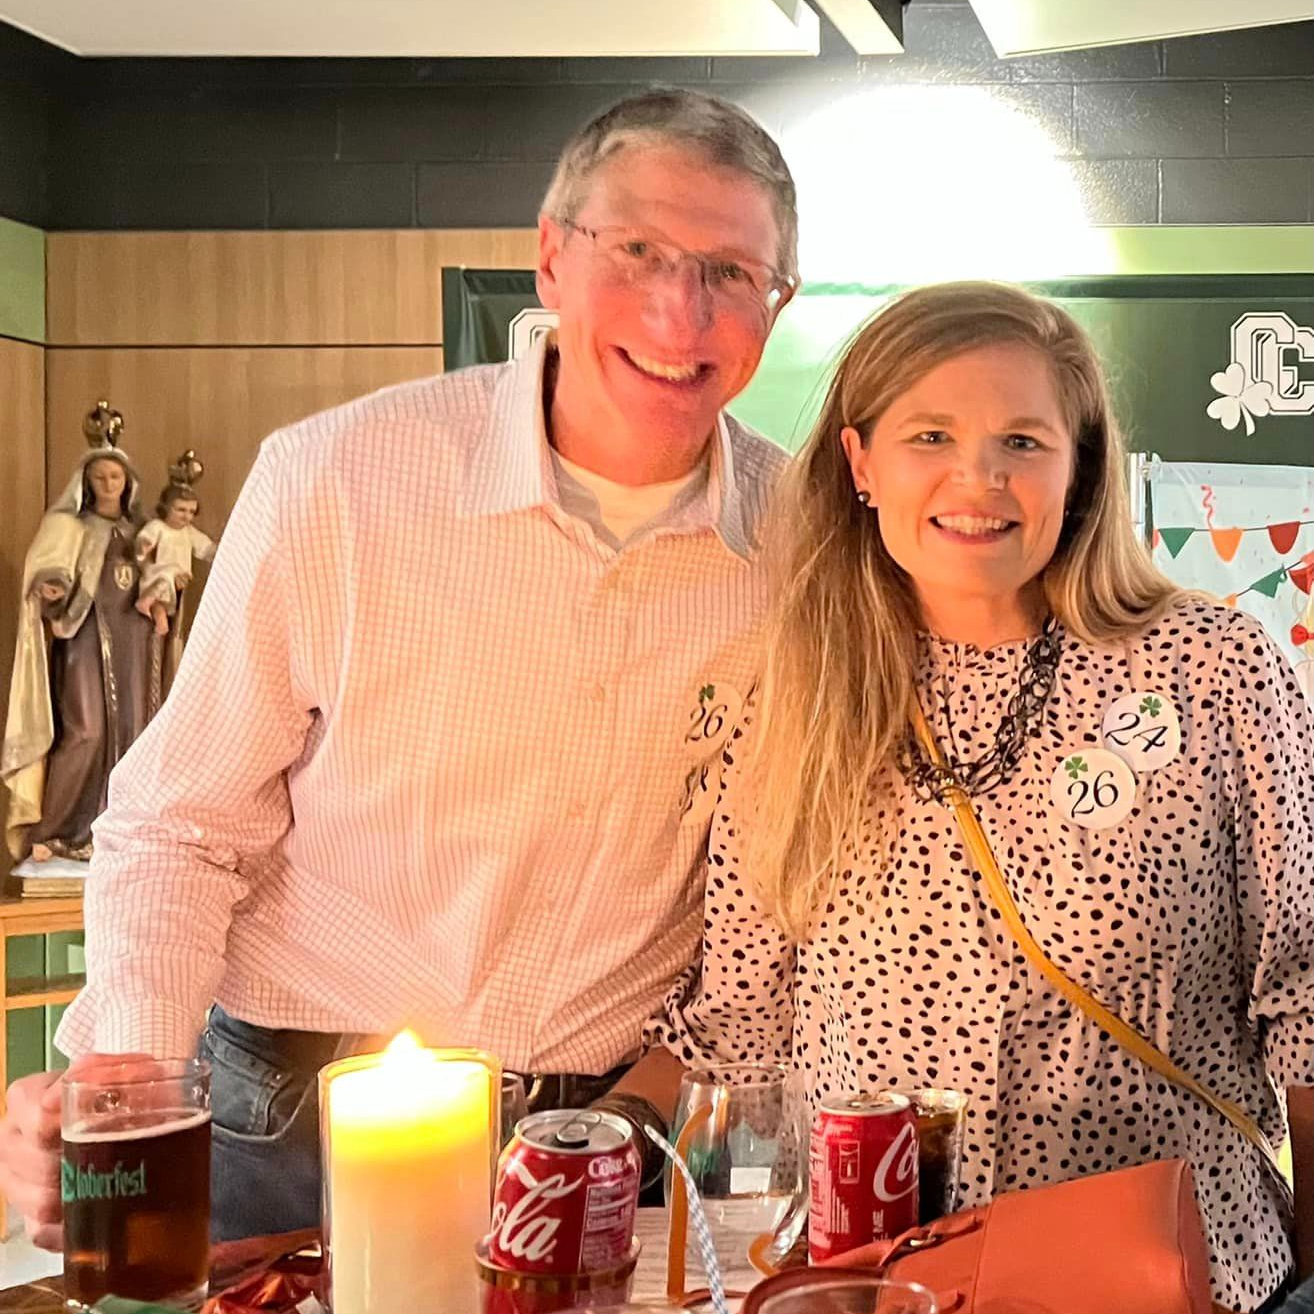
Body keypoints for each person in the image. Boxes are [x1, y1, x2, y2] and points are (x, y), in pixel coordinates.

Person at [0, 88, 798, 1245]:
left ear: (775, 304)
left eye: (732, 272)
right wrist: (121, 1082)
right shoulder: (339, 478)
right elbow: (183, 819)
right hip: (286, 1123)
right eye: (639, 252)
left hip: (600, 1139)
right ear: (552, 260)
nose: (682, 312)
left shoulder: (801, 544)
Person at [618, 283, 1313, 1313]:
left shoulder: (1212, 669)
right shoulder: (796, 699)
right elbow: (740, 1025)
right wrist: (571, 1144)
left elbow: (1305, 995)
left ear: (1077, 469)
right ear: (861, 463)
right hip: (884, 1282)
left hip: (1167, 1277)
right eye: (930, 434)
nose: (977, 479)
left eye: (1023, 442)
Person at [3, 410, 156, 864]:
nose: (109, 484)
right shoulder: (67, 526)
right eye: (100, 477)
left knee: (134, 733)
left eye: (116, 476)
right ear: (86, 483)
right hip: (83, 639)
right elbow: (47, 574)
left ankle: (119, 828)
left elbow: (170, 571)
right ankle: (56, 831)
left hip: (135, 640)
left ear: (127, 483)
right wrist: (51, 587)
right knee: (86, 731)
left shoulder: (142, 531)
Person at [135, 453, 216, 638]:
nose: (186, 516)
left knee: (170, 583)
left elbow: (205, 548)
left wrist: (221, 551)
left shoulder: (188, 532)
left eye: (191, 512)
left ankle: (158, 611)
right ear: (166, 507)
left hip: (181, 578)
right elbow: (145, 538)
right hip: (158, 573)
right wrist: (144, 545)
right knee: (166, 575)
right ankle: (150, 605)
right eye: (180, 510)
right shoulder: (159, 527)